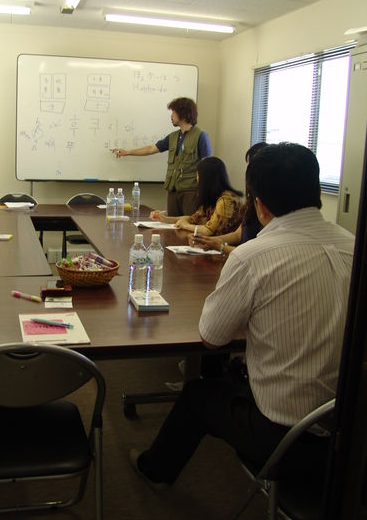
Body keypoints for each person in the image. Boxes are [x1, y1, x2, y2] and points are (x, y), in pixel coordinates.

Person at [130, 142, 354, 487]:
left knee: (196, 395)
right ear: (317, 193)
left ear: (259, 206)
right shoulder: (353, 245)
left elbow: (211, 338)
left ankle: (155, 471)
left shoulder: (252, 257)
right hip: (349, 434)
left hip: (284, 436)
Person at [111, 97, 212, 215]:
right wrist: (128, 152)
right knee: (171, 223)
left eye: (173, 112)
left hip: (191, 192)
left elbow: (207, 167)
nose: (171, 116)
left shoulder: (201, 136)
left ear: (183, 113)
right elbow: (151, 148)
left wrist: (202, 192)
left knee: (188, 223)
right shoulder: (173, 137)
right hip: (173, 190)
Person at [188, 142, 267, 254]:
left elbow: (256, 253)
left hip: (245, 257)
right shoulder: (252, 200)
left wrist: (220, 247)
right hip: (238, 255)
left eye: (250, 165)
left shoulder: (227, 200)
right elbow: (238, 234)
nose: (246, 170)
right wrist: (207, 241)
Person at [150, 156, 243, 237]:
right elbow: (193, 219)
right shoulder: (212, 197)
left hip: (225, 247)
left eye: (198, 176)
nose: (197, 179)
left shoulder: (226, 200)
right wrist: (165, 219)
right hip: (211, 244)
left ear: (207, 179)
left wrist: (185, 225)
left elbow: (209, 230)